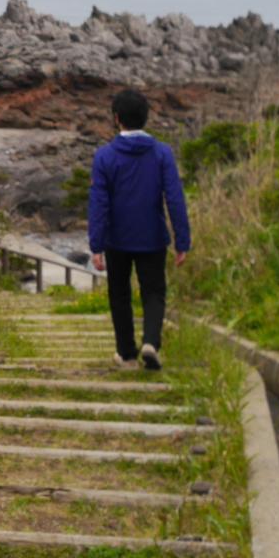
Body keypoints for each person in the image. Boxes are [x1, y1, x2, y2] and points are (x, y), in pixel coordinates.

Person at [87, 88, 191, 371]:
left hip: (117, 239)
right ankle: (151, 342)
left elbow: (99, 204)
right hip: (152, 237)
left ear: (117, 118)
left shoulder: (105, 156)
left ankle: (126, 353)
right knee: (154, 291)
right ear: (146, 118)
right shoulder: (162, 154)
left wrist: (96, 245)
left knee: (119, 294)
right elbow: (174, 197)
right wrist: (182, 240)